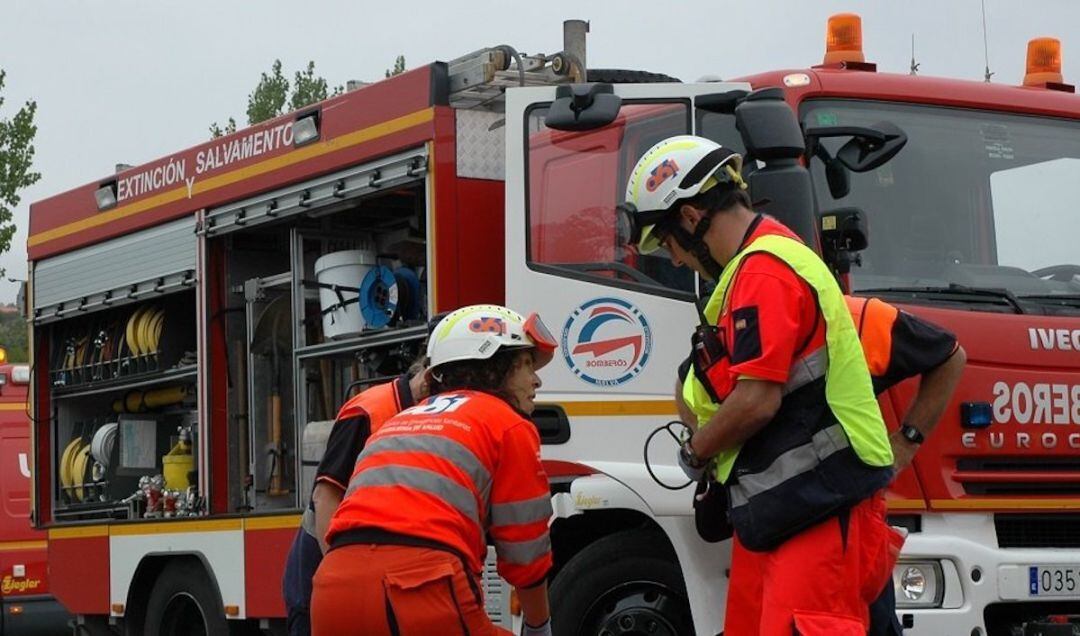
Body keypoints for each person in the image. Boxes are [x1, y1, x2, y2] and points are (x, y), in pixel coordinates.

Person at [622, 134, 898, 634]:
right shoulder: (764, 264)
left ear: (690, 218)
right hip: (794, 503)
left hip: (818, 499)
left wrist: (696, 452)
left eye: (666, 244)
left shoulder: (763, 272)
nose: (677, 260)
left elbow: (756, 400)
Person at [711, 296, 966, 635]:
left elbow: (948, 355)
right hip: (773, 518)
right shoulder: (741, 313)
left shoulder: (851, 316)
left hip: (839, 518)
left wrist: (907, 441)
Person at [310, 304, 558, 636]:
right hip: (418, 586)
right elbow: (526, 553)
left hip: (332, 590)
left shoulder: (400, 420)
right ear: (495, 366)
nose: (536, 379)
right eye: (527, 364)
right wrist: (539, 626)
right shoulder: (508, 424)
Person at [282, 355, 429, 635]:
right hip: (321, 567)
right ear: (428, 377)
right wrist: (336, 581)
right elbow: (325, 498)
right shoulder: (370, 411)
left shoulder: (422, 414)